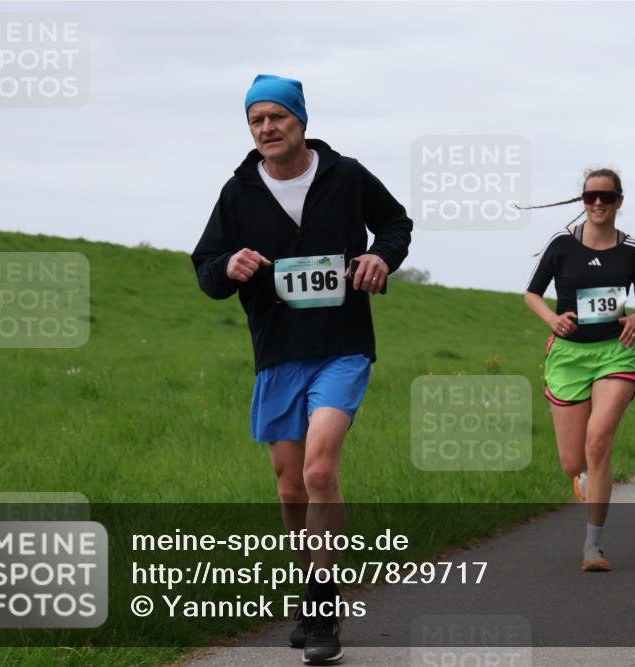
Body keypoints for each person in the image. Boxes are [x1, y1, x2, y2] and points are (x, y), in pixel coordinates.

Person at [191, 74, 412, 666]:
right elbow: (206, 267)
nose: (267, 127)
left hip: (342, 346)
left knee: (319, 470)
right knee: (289, 486)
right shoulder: (238, 193)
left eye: (277, 117)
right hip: (277, 354)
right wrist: (228, 264)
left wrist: (379, 256)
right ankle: (315, 585)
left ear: (301, 121)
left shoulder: (346, 176)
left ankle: (321, 607)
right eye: (256, 120)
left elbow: (396, 225)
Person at [524, 168, 635, 571]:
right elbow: (532, 294)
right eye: (591, 197)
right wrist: (552, 321)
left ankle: (593, 546)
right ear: (582, 201)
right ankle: (584, 475)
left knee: (599, 440)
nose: (599, 204)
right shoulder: (561, 245)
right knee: (574, 462)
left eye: (606, 197)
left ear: (620, 201)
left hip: (615, 353)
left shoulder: (633, 251)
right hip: (568, 357)